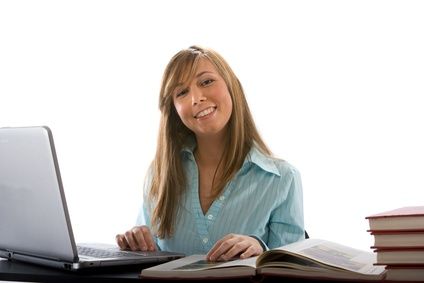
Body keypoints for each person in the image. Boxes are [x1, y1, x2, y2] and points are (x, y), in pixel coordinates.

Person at [116, 45, 305, 262]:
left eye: (206, 82)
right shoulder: (159, 175)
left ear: (231, 86)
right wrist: (136, 243)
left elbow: (292, 275)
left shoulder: (283, 179)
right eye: (182, 92)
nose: (196, 98)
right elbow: (148, 257)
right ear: (174, 110)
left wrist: (261, 249)